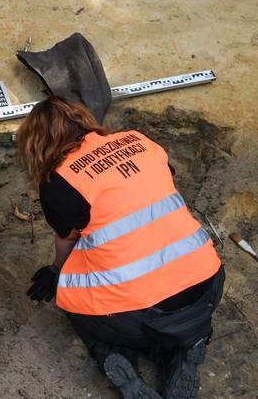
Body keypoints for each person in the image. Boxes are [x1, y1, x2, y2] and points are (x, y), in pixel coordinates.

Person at [15, 96, 224, 399]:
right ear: (84, 119)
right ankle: (181, 352)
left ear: (38, 142)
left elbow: (68, 240)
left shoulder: (59, 181)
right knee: (158, 301)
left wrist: (56, 271)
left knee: (71, 292)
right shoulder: (138, 139)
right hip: (208, 288)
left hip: (138, 317)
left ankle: (113, 355)